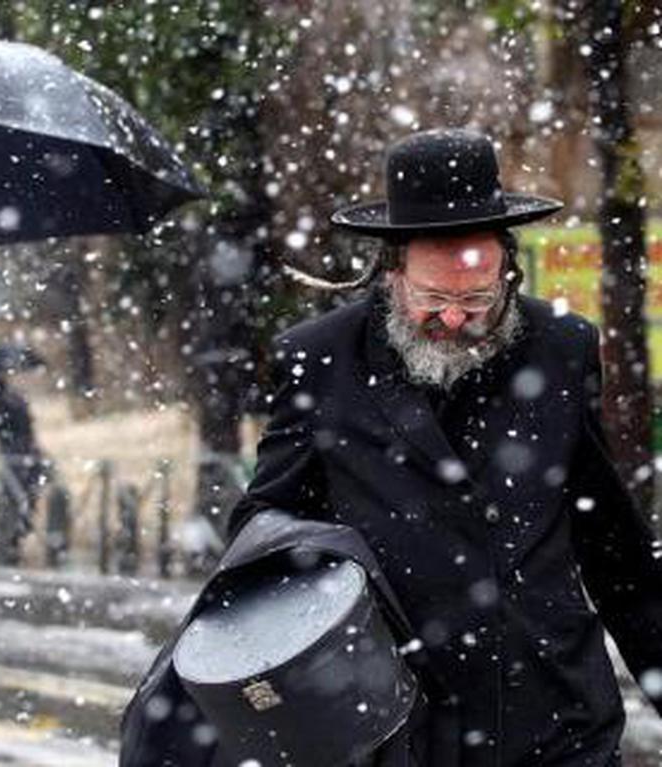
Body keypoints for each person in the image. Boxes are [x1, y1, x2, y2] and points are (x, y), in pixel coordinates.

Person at [227, 128, 662, 765]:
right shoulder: (320, 358)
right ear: (391, 273)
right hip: (400, 720)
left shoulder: (562, 348)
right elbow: (264, 527)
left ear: (508, 270)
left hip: (554, 714)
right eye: (434, 298)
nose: (456, 319)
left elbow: (613, 548)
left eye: (477, 299)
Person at [0, 364, 44, 565]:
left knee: (7, 499)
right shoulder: (12, 396)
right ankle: (16, 538)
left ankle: (10, 543)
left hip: (12, 455)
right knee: (21, 498)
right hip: (30, 454)